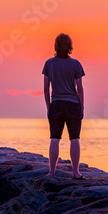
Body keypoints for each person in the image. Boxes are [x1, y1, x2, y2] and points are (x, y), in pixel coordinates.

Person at [42, 33, 85, 179]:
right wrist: (82, 107)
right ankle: (76, 172)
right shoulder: (75, 64)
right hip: (73, 104)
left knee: (54, 138)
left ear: (56, 46)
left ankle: (52, 172)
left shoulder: (49, 63)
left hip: (57, 104)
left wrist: (49, 106)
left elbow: (46, 89)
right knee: (75, 138)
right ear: (69, 46)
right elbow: (80, 88)